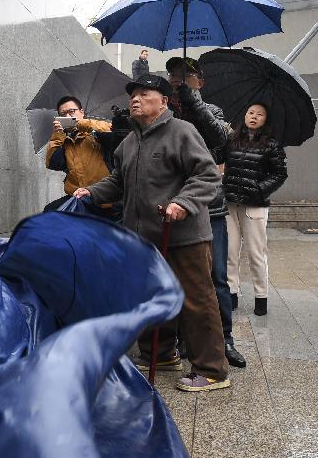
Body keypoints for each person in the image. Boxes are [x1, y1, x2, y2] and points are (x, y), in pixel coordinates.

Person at [74, 74, 230, 392]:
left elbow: (207, 175)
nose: (135, 99)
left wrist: (183, 203)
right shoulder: (129, 142)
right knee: (151, 297)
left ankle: (212, 369)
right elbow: (118, 182)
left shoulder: (183, 132)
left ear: (163, 101)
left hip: (184, 236)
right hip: (145, 239)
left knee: (196, 300)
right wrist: (90, 192)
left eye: (145, 94)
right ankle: (160, 355)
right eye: (133, 94)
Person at [166, 57, 246, 368]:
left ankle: (225, 339)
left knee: (217, 278)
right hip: (175, 207)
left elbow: (219, 139)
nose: (177, 78)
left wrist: (192, 101)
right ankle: (185, 338)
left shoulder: (214, 112)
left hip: (210, 208)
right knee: (180, 276)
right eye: (173, 74)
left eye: (185, 74)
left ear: (200, 81)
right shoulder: (165, 114)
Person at [223, 103, 288, 316]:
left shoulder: (271, 145)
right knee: (230, 252)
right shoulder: (232, 140)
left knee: (256, 254)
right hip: (231, 203)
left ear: (265, 120)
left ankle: (261, 297)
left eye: (259, 114)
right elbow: (218, 158)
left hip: (255, 206)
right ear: (245, 115)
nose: (253, 116)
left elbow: (280, 174)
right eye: (251, 112)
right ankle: (231, 294)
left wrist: (259, 190)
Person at [43, 96, 112, 212]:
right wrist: (58, 135)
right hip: (78, 198)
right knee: (50, 211)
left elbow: (111, 130)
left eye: (71, 111)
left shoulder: (94, 131)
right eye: (63, 114)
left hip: (104, 198)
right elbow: (52, 163)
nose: (68, 116)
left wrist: (80, 124)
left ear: (81, 112)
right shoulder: (64, 140)